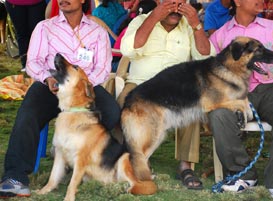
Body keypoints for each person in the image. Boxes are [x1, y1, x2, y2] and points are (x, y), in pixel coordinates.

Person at [0, 0, 120, 198]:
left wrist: (81, 86)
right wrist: (47, 78)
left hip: (83, 87)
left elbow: (103, 68)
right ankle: (15, 177)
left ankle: (81, 159)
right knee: (27, 115)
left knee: (111, 112)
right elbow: (33, 62)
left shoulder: (97, 32)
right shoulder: (45, 27)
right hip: (50, 85)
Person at [208, 0, 273, 200]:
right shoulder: (220, 35)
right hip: (236, 92)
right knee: (218, 114)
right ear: (238, 2)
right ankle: (241, 173)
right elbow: (212, 70)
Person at [119, 0, 215, 190]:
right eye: (170, 2)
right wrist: (155, 16)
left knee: (193, 106)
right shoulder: (140, 21)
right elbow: (128, 49)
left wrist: (196, 24)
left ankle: (186, 166)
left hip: (175, 87)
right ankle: (135, 160)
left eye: (181, 2)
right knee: (124, 102)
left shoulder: (189, 26)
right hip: (140, 84)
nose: (176, 7)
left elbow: (206, 57)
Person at [4, 0, 46, 71]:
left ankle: (39, 64)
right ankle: (25, 64)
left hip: (37, 3)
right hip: (15, 3)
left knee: (38, 34)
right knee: (22, 33)